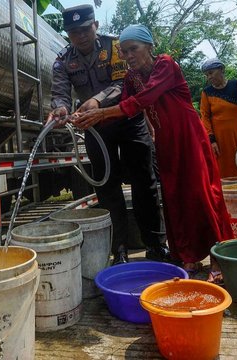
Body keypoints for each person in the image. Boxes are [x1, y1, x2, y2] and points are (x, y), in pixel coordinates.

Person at [73, 24, 233, 281]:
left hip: (189, 138)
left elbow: (141, 101)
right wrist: (86, 116)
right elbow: (125, 107)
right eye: (124, 52)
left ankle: (219, 259)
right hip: (166, 142)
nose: (128, 56)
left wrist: (101, 112)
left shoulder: (166, 65)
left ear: (149, 46)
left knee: (201, 194)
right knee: (174, 198)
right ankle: (189, 256)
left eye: (133, 49)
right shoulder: (131, 78)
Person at [49, 5, 169, 265]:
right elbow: (60, 92)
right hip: (95, 128)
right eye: (73, 32)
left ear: (95, 26)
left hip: (128, 120)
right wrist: (60, 108)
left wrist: (96, 100)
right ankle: (119, 249)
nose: (79, 36)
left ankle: (156, 245)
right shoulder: (62, 59)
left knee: (144, 183)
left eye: (84, 29)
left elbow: (122, 82)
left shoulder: (116, 47)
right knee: (106, 188)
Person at [199, 59, 237, 178]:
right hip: (220, 141)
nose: (209, 77)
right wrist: (212, 140)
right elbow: (204, 117)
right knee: (224, 171)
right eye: (206, 75)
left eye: (211, 73)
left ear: (221, 70)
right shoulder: (206, 93)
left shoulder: (236, 85)